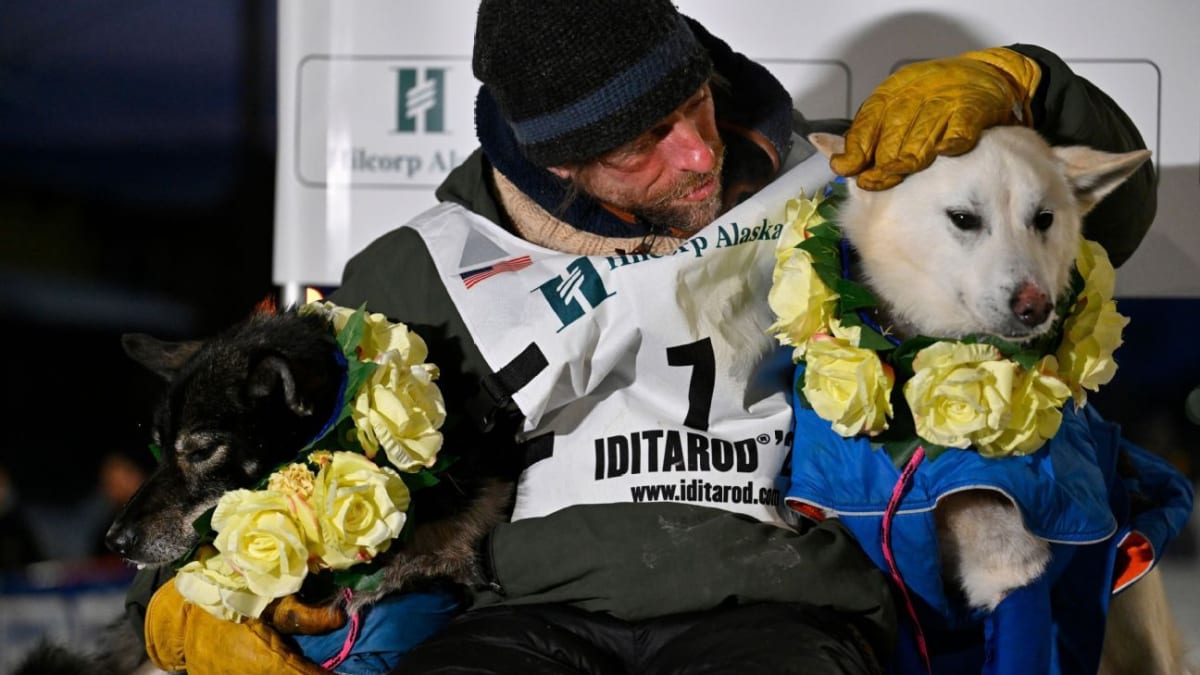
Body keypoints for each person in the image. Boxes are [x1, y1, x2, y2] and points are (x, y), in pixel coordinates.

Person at [131, 1, 1158, 673]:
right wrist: (197, 599)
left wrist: (1027, 82)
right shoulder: (424, 267)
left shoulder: (832, 185)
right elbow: (272, 449)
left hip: (780, 608)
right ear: (558, 165)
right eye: (640, 147)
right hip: (532, 624)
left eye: (694, 102)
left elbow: (1093, 217)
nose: (697, 151)